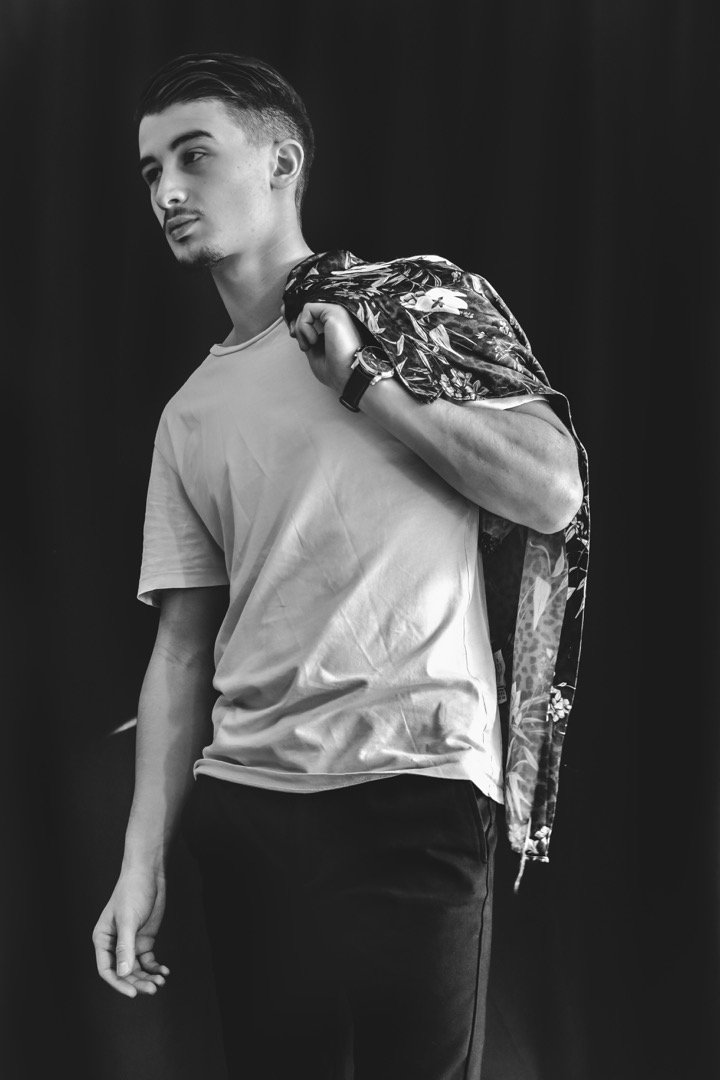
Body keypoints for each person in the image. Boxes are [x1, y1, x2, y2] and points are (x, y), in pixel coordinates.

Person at [92, 52, 585, 1080]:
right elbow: (179, 652)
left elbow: (551, 491)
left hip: (416, 784)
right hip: (250, 807)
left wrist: (367, 381)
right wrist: (139, 865)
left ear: (282, 163)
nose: (168, 191)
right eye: (150, 172)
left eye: (194, 156)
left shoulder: (416, 305)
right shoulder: (189, 414)